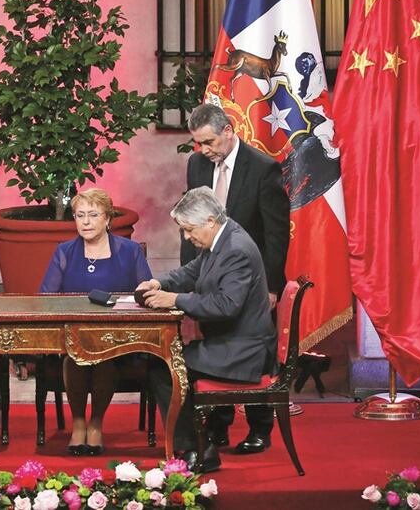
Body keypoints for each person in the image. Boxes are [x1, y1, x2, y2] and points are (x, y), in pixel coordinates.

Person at [136, 187, 276, 473]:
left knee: (163, 367)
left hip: (243, 351)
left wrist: (174, 300)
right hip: (230, 343)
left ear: (210, 221)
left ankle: (198, 450)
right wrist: (159, 283)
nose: (187, 237)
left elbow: (226, 305)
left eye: (189, 230)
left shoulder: (236, 250)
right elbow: (192, 271)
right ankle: (201, 439)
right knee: (166, 360)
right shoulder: (224, 238)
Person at [182, 102, 290, 454]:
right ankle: (218, 427)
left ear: (228, 131)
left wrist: (271, 286)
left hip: (253, 280)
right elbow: (192, 223)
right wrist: (187, 281)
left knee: (252, 347)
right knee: (216, 345)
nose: (204, 150)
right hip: (210, 274)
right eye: (199, 143)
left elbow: (276, 233)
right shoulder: (197, 164)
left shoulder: (262, 168)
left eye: (209, 142)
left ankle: (260, 428)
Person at [39, 188, 152, 456]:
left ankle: (96, 423)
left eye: (93, 215)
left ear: (107, 219)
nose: (86, 222)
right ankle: (79, 423)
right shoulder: (64, 251)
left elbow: (146, 293)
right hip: (73, 336)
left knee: (103, 356)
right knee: (77, 356)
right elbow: (46, 297)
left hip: (119, 338)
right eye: (80, 215)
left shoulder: (130, 251)